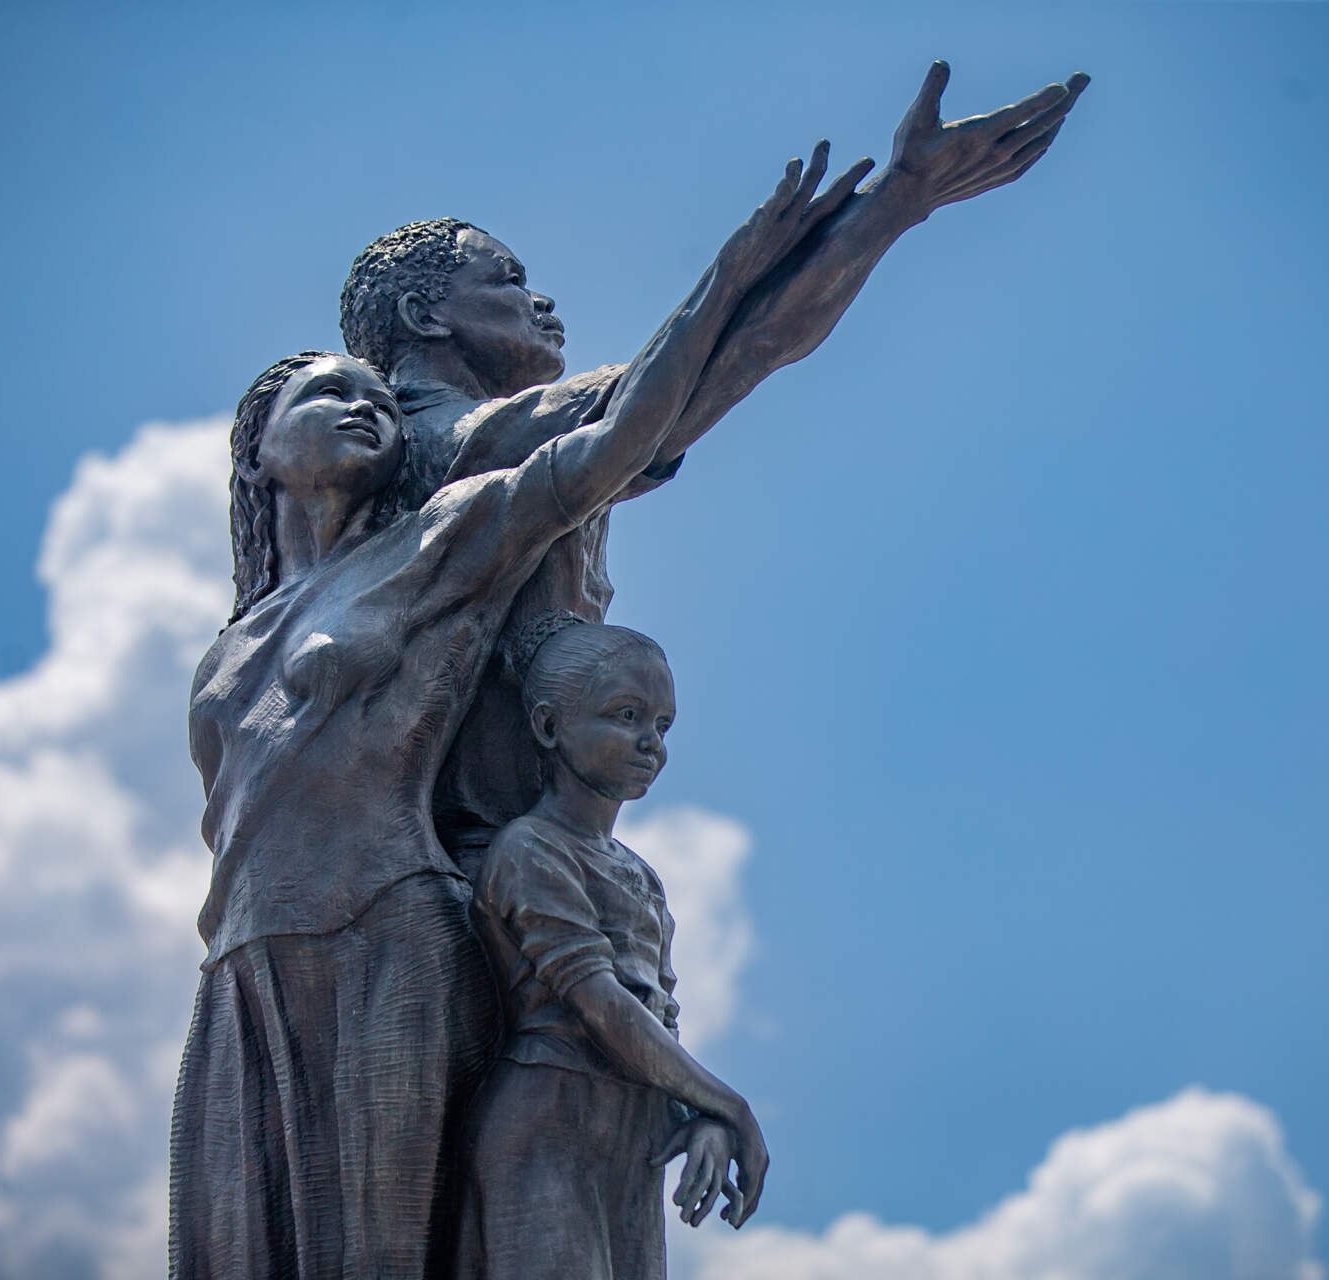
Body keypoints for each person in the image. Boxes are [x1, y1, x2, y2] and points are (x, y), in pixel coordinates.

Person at [169, 152, 830, 1280]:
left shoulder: (432, 546)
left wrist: (758, 261)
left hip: (389, 926)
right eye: (328, 395)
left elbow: (631, 424)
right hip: (241, 963)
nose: (365, 412)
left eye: (378, 400)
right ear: (258, 443)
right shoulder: (229, 649)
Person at [337, 63, 1091, 869]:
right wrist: (896, 203)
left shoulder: (467, 444)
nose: (543, 303)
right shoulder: (466, 441)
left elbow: (722, 358)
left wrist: (895, 205)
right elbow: (738, 352)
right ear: (425, 316)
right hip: (473, 873)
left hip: (505, 858)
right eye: (510, 281)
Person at [459, 617, 764, 1280]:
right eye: (626, 716)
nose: (650, 743)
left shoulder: (641, 877)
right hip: (548, 1123)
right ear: (547, 727)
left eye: (662, 724)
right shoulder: (529, 850)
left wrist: (700, 1116)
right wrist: (727, 1105)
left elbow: (659, 1023)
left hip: (631, 1135)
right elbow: (602, 1005)